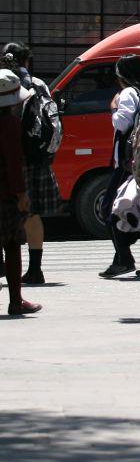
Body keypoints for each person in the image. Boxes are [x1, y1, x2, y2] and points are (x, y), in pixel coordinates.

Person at [2, 43, 60, 286]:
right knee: (31, 214)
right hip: (34, 154)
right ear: (26, 60)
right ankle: (35, 269)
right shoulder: (38, 84)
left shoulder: (4, 83)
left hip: (9, 153)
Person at [98, 54, 140, 279]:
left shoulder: (129, 93)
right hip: (139, 160)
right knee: (139, 208)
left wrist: (114, 107)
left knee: (110, 208)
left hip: (126, 163)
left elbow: (122, 123)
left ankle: (124, 258)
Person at [0, 69, 40, 315]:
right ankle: (16, 300)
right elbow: (13, 163)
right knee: (13, 245)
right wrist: (21, 194)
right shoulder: (9, 124)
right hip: (5, 195)